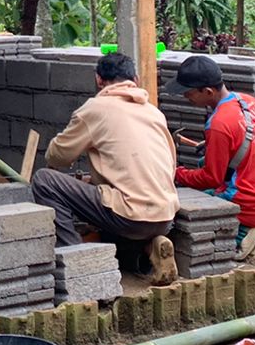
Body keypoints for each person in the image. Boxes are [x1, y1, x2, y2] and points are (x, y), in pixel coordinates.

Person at [30, 52, 180, 284]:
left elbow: (58, 155)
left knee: (45, 180)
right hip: (165, 216)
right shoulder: (154, 112)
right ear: (135, 80)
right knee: (118, 211)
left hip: (129, 217)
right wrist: (97, 182)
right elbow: (170, 166)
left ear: (99, 80)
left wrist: (57, 162)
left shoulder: (95, 108)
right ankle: (150, 247)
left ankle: (76, 260)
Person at [168, 55, 255, 261]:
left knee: (182, 209)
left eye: (188, 93)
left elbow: (211, 178)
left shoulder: (219, 124)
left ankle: (242, 235)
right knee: (204, 167)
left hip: (254, 206)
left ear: (208, 92)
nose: (186, 97)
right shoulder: (251, 102)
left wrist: (176, 174)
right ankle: (247, 228)